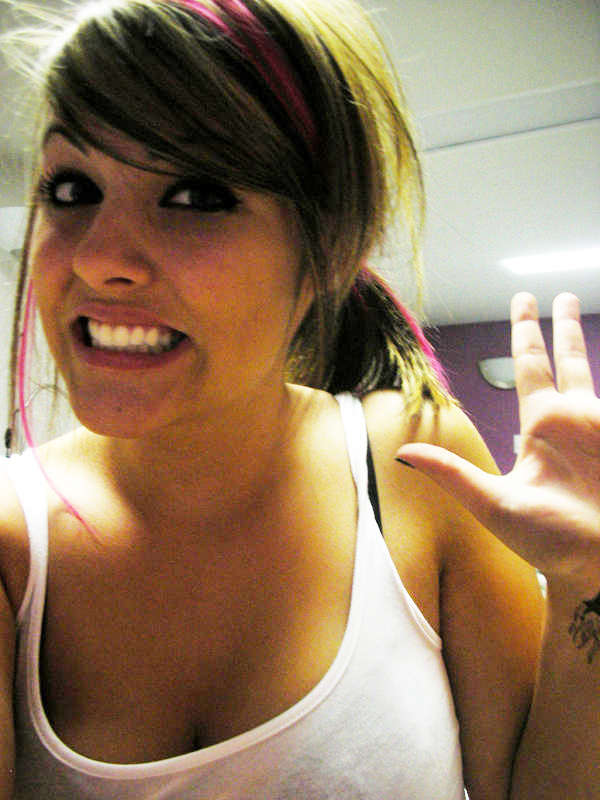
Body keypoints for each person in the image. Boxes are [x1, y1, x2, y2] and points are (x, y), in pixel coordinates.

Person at [0, 1, 598, 798]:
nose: (100, 258)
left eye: (197, 196)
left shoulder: (416, 465)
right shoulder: (13, 545)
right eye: (72, 188)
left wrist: (586, 584)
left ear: (332, 248)